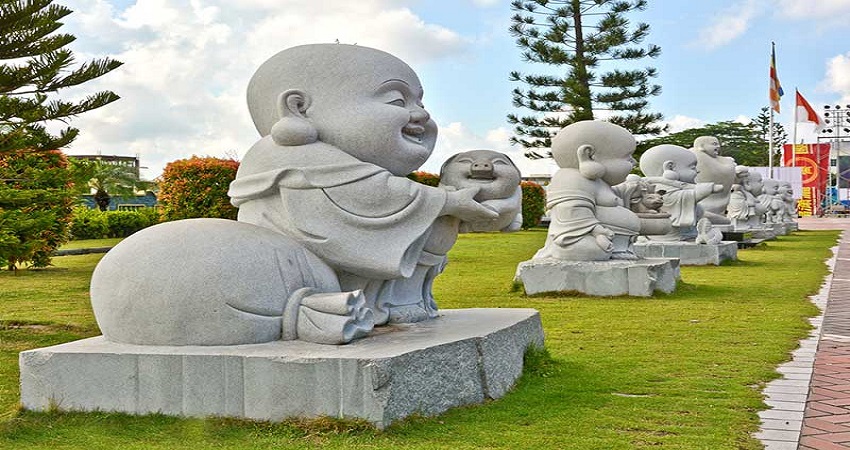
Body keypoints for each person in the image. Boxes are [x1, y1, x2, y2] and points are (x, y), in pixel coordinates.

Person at [228, 44, 506, 325]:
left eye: (420, 103)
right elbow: (372, 193)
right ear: (298, 108)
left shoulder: (339, 164)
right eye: (397, 101)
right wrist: (447, 202)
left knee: (435, 227)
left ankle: (393, 302)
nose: (420, 114)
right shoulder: (288, 156)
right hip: (292, 272)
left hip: (341, 275)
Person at [534, 120, 642, 261]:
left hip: (613, 240)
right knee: (592, 252)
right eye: (627, 157)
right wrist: (597, 231)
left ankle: (618, 248)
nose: (634, 162)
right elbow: (571, 210)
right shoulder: (570, 178)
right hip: (578, 236)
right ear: (589, 155)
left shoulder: (602, 183)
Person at [639, 144, 722, 241]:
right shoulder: (658, 190)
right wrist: (709, 188)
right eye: (692, 167)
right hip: (668, 238)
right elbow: (688, 196)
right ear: (670, 167)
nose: (697, 171)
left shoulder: (679, 187)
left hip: (688, 235)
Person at [691, 136, 736, 224]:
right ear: (701, 146)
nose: (718, 146)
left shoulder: (721, 160)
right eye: (714, 144)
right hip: (704, 202)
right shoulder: (695, 156)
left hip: (719, 201)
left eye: (718, 144)